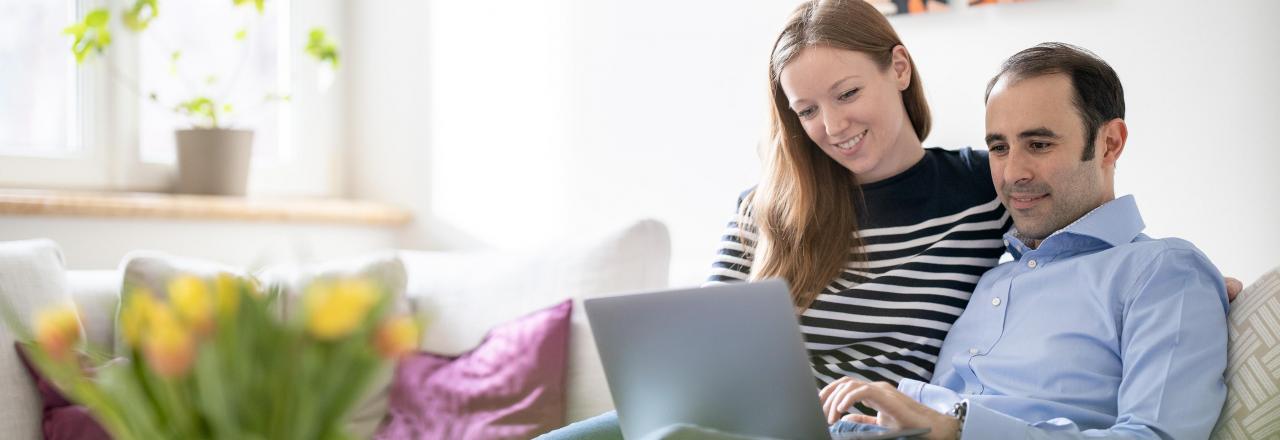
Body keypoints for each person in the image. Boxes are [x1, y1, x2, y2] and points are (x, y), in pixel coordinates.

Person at [538, 1, 1239, 438]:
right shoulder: (768, 207)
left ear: (898, 68)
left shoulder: (985, 188)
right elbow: (694, 355)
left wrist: (1198, 285)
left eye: (847, 93)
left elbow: (1085, 226)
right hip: (746, 422)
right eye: (806, 111)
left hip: (867, 423)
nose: (832, 125)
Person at [818, 42, 1229, 439]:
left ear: (1109, 144)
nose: (1013, 172)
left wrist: (957, 431)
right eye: (999, 147)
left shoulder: (1163, 270)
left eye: (1039, 144)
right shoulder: (993, 279)